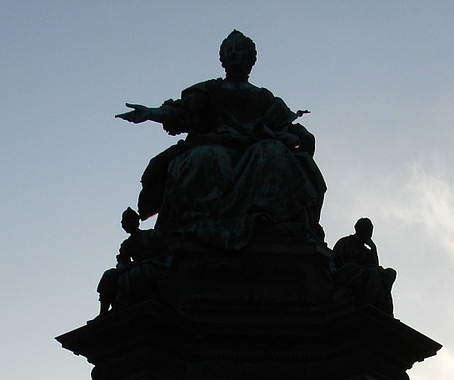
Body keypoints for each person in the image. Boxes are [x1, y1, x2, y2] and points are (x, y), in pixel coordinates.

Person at [117, 30, 326, 249]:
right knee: (204, 158)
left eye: (239, 50)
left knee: (273, 153)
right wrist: (151, 113)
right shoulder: (210, 90)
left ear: (251, 58)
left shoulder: (264, 97)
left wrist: (291, 138)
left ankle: (266, 220)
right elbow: (182, 113)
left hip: (254, 148)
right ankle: (203, 226)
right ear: (223, 59)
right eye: (229, 51)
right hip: (216, 145)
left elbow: (289, 130)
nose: (234, 54)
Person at [332, 217, 396, 312]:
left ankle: (384, 305)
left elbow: (374, 265)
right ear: (358, 229)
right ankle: (370, 303)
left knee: (390, 273)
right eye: (366, 230)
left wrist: (374, 249)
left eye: (370, 231)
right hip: (349, 272)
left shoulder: (367, 251)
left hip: (363, 272)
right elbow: (336, 260)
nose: (368, 233)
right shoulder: (345, 242)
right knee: (373, 273)